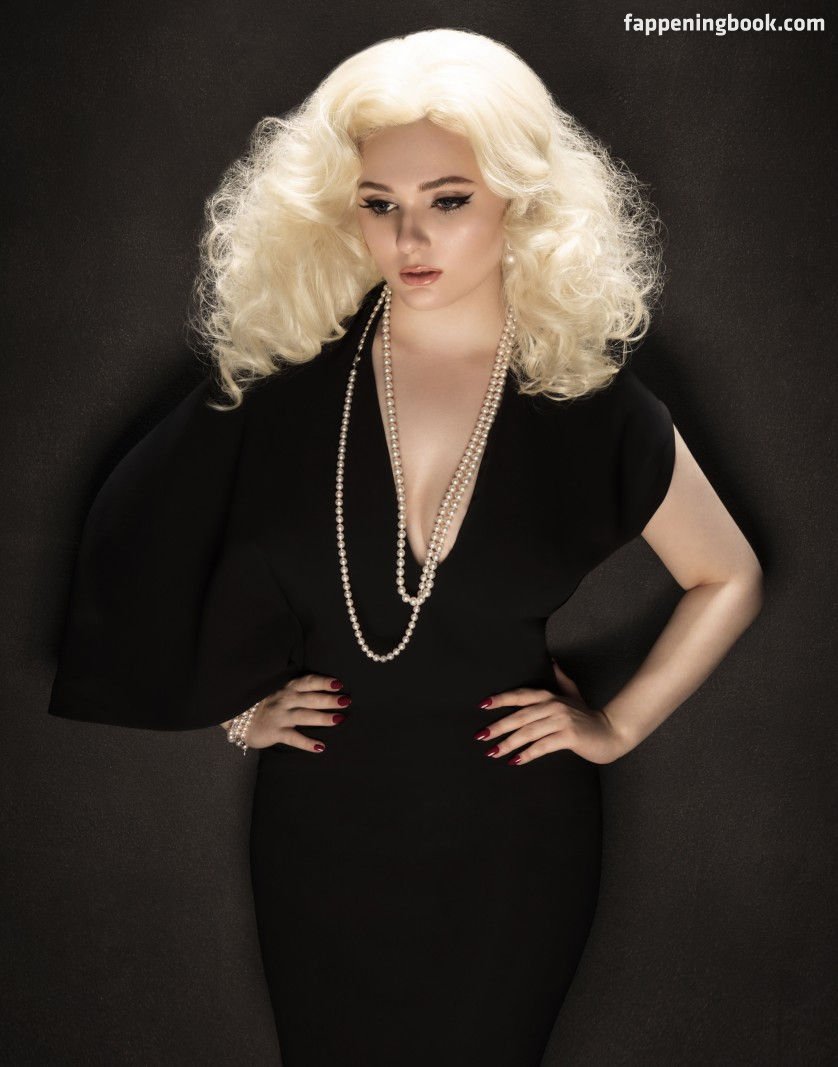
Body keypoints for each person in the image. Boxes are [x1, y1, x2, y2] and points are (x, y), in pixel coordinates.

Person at [47, 27, 764, 1067]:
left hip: (513, 830)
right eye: (377, 203)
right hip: (319, 827)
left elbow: (727, 573)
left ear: (520, 199)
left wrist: (616, 724)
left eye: (448, 199)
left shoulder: (586, 401)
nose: (408, 236)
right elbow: (136, 549)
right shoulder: (287, 384)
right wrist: (240, 711)